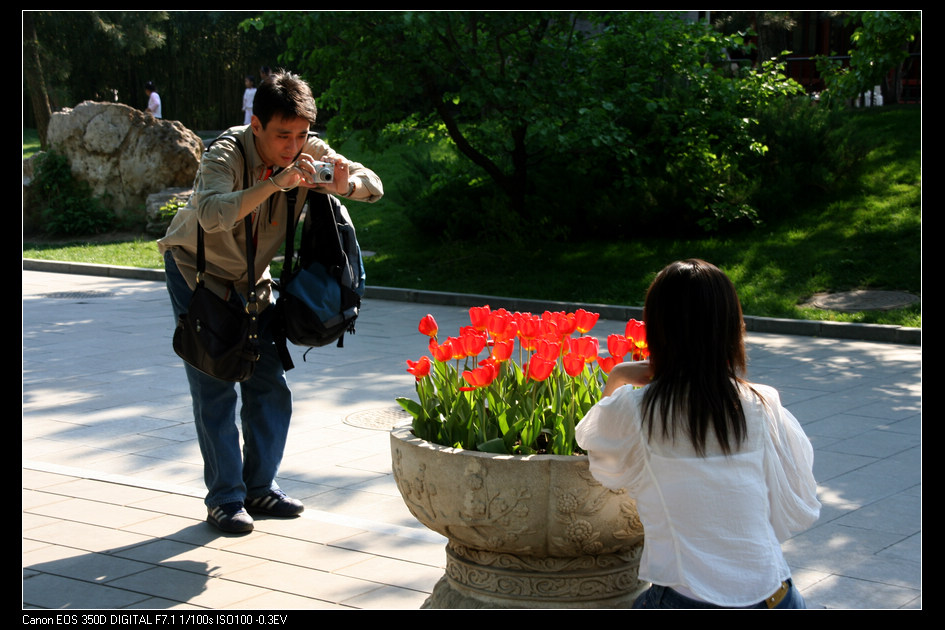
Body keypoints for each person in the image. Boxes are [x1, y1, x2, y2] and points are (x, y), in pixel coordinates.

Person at [158, 70, 384, 534]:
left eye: (302, 134)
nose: (294, 145)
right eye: (283, 135)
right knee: (216, 381)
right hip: (196, 272)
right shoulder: (226, 151)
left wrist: (344, 184)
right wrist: (277, 183)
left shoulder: (307, 149)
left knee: (269, 381)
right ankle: (225, 498)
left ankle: (260, 487)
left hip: (252, 278)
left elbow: (373, 183)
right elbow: (211, 213)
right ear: (256, 125)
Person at [575, 259, 821, 609]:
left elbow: (599, 456)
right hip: (776, 596)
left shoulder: (639, 409)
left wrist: (616, 377)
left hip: (686, 600)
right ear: (733, 329)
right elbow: (800, 505)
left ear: (658, 330)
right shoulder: (762, 403)